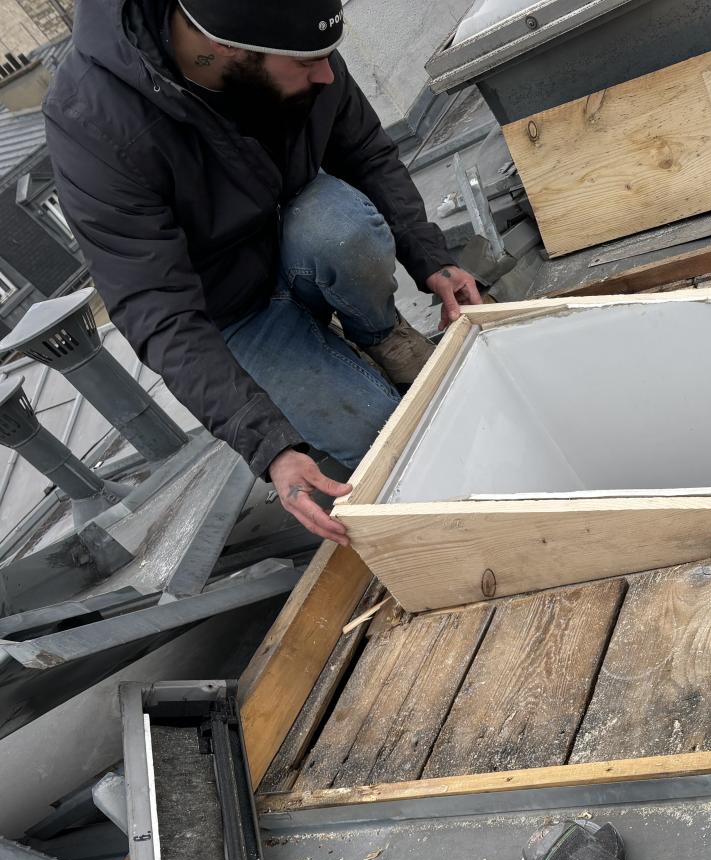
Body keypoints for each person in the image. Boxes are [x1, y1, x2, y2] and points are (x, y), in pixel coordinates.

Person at [43, 0, 483, 544]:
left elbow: (365, 151)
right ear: (227, 49)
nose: (327, 74)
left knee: (341, 230)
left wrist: (431, 257)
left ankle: (381, 334)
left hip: (306, 229)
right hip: (236, 309)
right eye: (306, 64)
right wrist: (269, 444)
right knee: (384, 439)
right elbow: (157, 308)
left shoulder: (293, 40)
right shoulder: (93, 121)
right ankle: (334, 370)